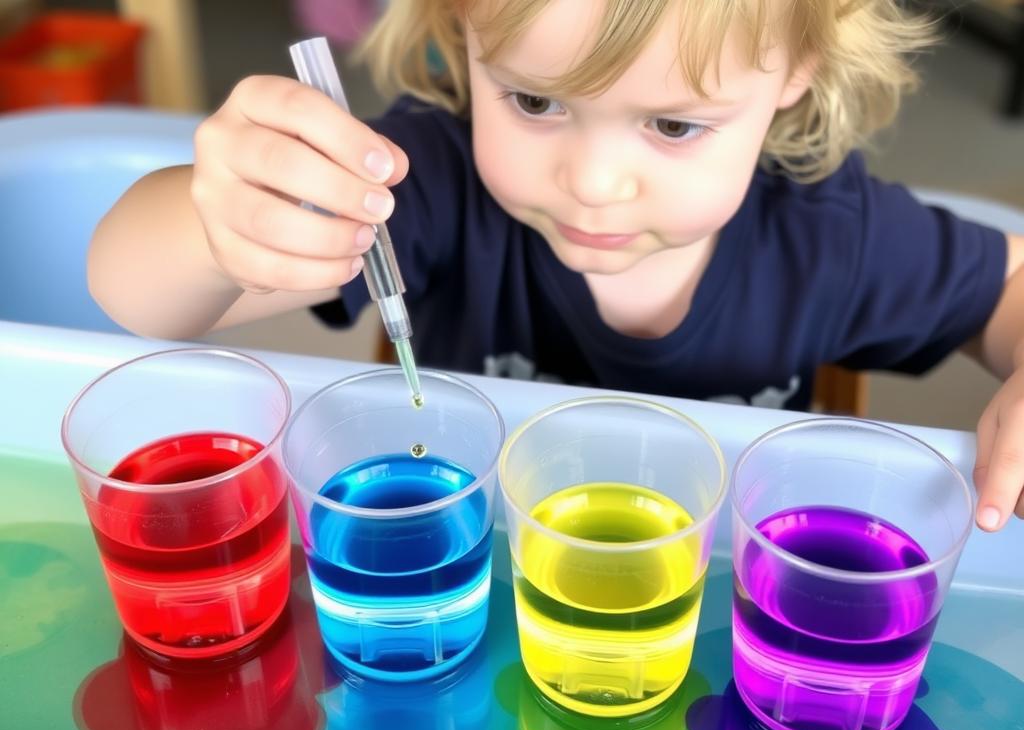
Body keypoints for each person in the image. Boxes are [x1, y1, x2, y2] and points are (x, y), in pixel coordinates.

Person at [87, 0, 1024, 531]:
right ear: (462, 32)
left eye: (673, 125)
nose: (593, 183)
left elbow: (1008, 291)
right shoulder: (427, 182)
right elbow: (138, 296)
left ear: (795, 73)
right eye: (535, 100)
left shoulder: (832, 239)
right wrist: (213, 228)